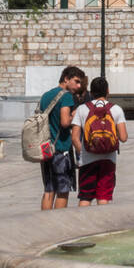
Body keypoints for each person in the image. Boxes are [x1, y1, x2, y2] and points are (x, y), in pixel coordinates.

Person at [71, 76, 128, 206]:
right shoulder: (116, 109)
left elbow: (74, 137)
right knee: (103, 196)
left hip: (87, 160)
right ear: (108, 91)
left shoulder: (82, 109)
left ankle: (83, 224)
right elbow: (124, 138)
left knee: (85, 197)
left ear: (91, 92)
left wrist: (84, 152)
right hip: (108, 159)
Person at [39, 66, 85, 210]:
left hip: (46, 148)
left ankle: (44, 223)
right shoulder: (66, 96)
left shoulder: (46, 95)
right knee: (63, 191)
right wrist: (75, 114)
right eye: (76, 82)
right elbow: (65, 122)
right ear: (66, 79)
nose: (78, 86)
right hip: (61, 149)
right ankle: (57, 224)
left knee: (49, 189)